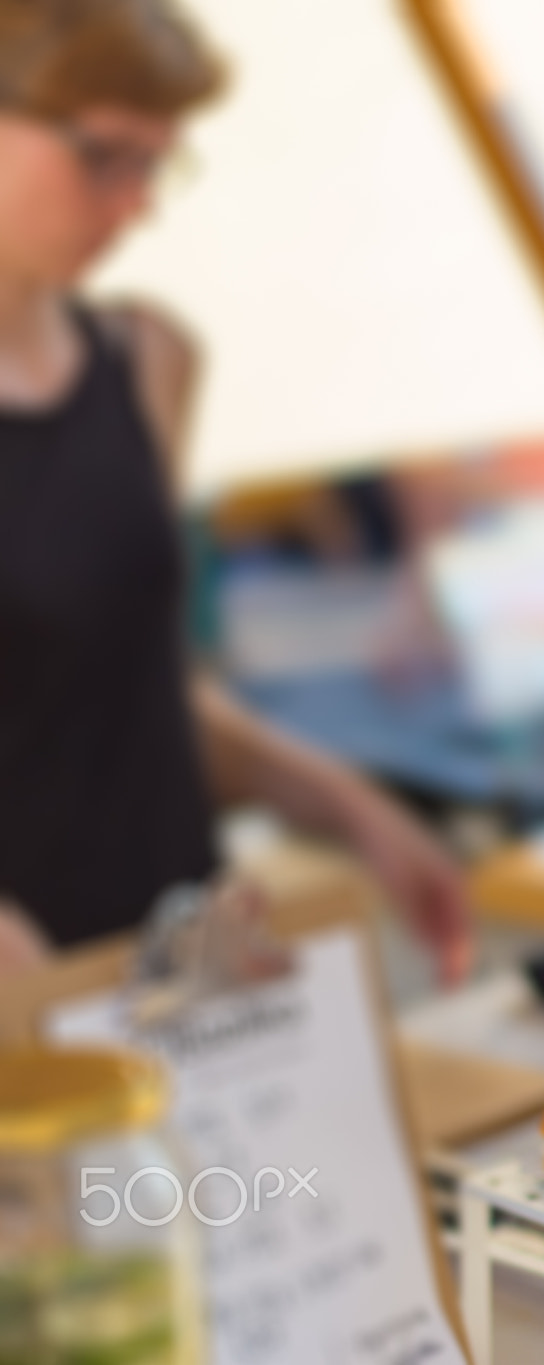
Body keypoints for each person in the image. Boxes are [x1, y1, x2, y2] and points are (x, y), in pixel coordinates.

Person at [0, 0, 471, 982]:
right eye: (104, 156)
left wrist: (356, 810)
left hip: (179, 973)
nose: (137, 204)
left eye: (157, 164)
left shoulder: (146, 361)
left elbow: (145, 692)